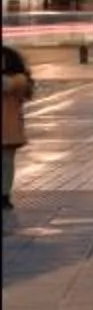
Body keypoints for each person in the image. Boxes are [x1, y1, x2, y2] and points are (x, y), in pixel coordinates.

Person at [2, 43, 34, 210]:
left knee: (6, 163)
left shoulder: (18, 80)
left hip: (8, 130)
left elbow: (7, 85)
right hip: (9, 130)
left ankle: (4, 195)